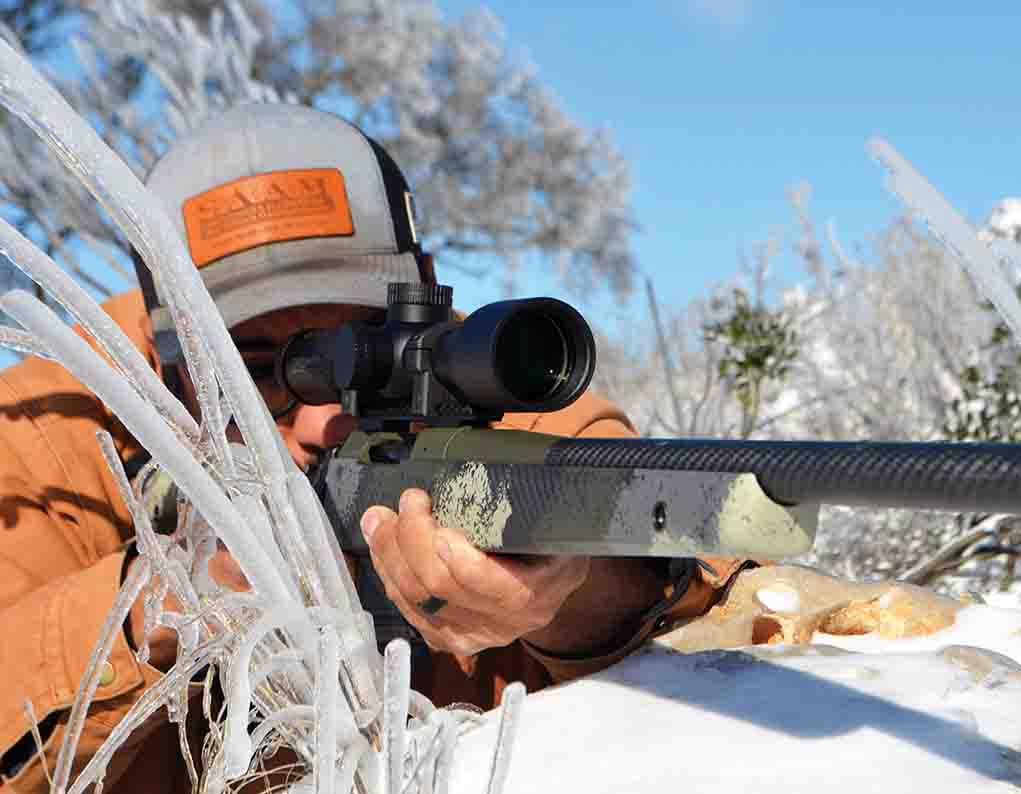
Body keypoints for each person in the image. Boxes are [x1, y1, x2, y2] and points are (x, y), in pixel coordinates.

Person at [0, 104, 751, 793]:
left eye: (362, 351)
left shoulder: (483, 417)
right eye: (255, 371)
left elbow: (741, 607)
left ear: (422, 298)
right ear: (165, 367)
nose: (323, 419)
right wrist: (159, 605)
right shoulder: (48, 434)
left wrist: (578, 600)